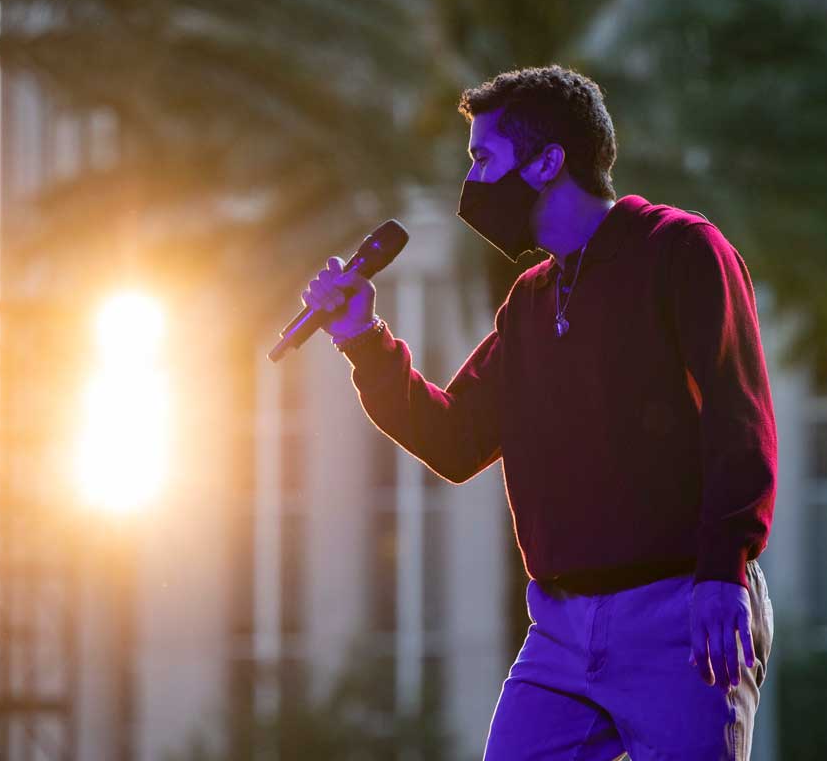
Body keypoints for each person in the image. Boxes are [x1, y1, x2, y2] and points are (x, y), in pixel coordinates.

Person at [300, 65, 777, 761]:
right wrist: (361, 340)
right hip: (559, 629)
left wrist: (722, 572)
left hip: (678, 611)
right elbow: (455, 438)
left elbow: (738, 417)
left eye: (486, 159)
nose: (475, 183)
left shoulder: (679, 250)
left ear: (548, 160)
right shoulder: (531, 300)